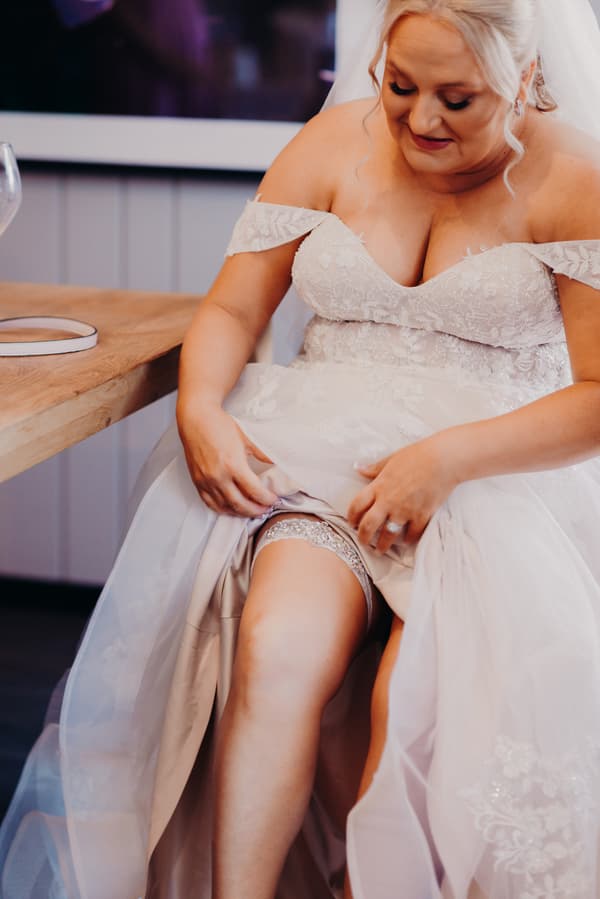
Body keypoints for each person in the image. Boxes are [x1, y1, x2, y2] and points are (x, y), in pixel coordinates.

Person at [2, 0, 600, 897]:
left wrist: (443, 460)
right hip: (321, 460)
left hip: (487, 480)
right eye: (400, 87)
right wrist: (200, 408)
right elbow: (235, 308)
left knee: (422, 702)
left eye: (458, 99)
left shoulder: (576, 177)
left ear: (523, 78)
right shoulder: (330, 145)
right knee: (276, 647)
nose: (422, 121)